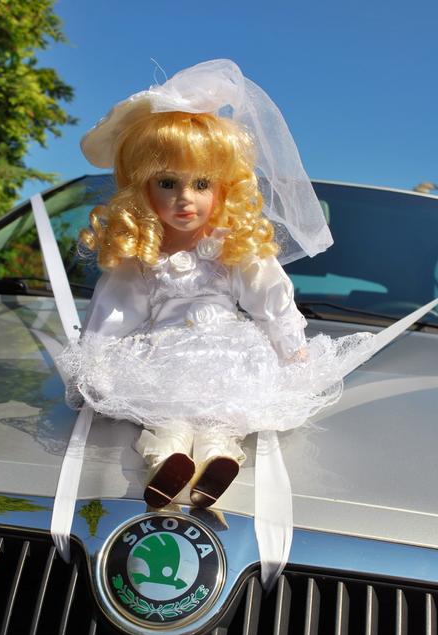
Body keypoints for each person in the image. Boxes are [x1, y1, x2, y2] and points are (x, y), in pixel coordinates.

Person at [58, 59, 373, 511]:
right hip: (163, 354)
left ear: (224, 188)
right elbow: (116, 309)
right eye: (168, 183)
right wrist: (95, 360)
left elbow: (269, 297)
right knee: (166, 418)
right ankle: (166, 461)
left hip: (229, 351)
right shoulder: (143, 257)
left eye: (201, 183)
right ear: (142, 189)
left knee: (222, 418)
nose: (185, 198)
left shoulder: (233, 246)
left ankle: (220, 458)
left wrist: (291, 347)